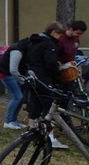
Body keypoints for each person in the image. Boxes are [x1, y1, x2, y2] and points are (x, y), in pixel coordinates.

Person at [24, 21, 68, 150]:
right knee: (49, 110)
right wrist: (57, 78)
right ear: (54, 32)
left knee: (35, 107)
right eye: (60, 36)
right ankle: (50, 137)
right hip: (45, 80)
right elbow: (50, 64)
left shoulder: (33, 43)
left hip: (33, 78)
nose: (60, 39)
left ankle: (31, 131)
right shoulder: (49, 45)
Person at [0, 37, 31, 130]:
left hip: (13, 74)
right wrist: (22, 80)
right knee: (17, 96)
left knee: (21, 97)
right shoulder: (17, 51)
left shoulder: (24, 49)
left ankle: (14, 120)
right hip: (6, 74)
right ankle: (8, 121)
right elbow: (13, 70)